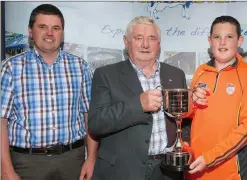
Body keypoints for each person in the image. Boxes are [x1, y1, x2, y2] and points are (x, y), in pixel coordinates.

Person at [0, 4, 98, 180]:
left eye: (56, 28)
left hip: (72, 161)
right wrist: (6, 170)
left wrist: (91, 159)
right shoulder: (11, 68)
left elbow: (89, 117)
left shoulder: (80, 67)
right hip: (27, 163)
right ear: (30, 31)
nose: (50, 33)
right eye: (42, 27)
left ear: (62, 33)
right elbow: (1, 122)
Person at [88, 16, 188, 180]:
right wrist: (138, 105)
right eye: (138, 38)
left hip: (167, 171)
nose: (145, 45)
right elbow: (96, 123)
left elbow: (184, 121)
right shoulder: (106, 74)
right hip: (122, 170)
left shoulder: (176, 74)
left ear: (158, 44)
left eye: (152, 38)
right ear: (126, 42)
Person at [184, 15, 247, 180]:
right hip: (195, 168)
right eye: (217, 37)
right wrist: (190, 102)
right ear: (210, 40)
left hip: (229, 172)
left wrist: (211, 157)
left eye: (229, 37)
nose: (222, 42)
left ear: (239, 40)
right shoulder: (201, 71)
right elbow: (187, 117)